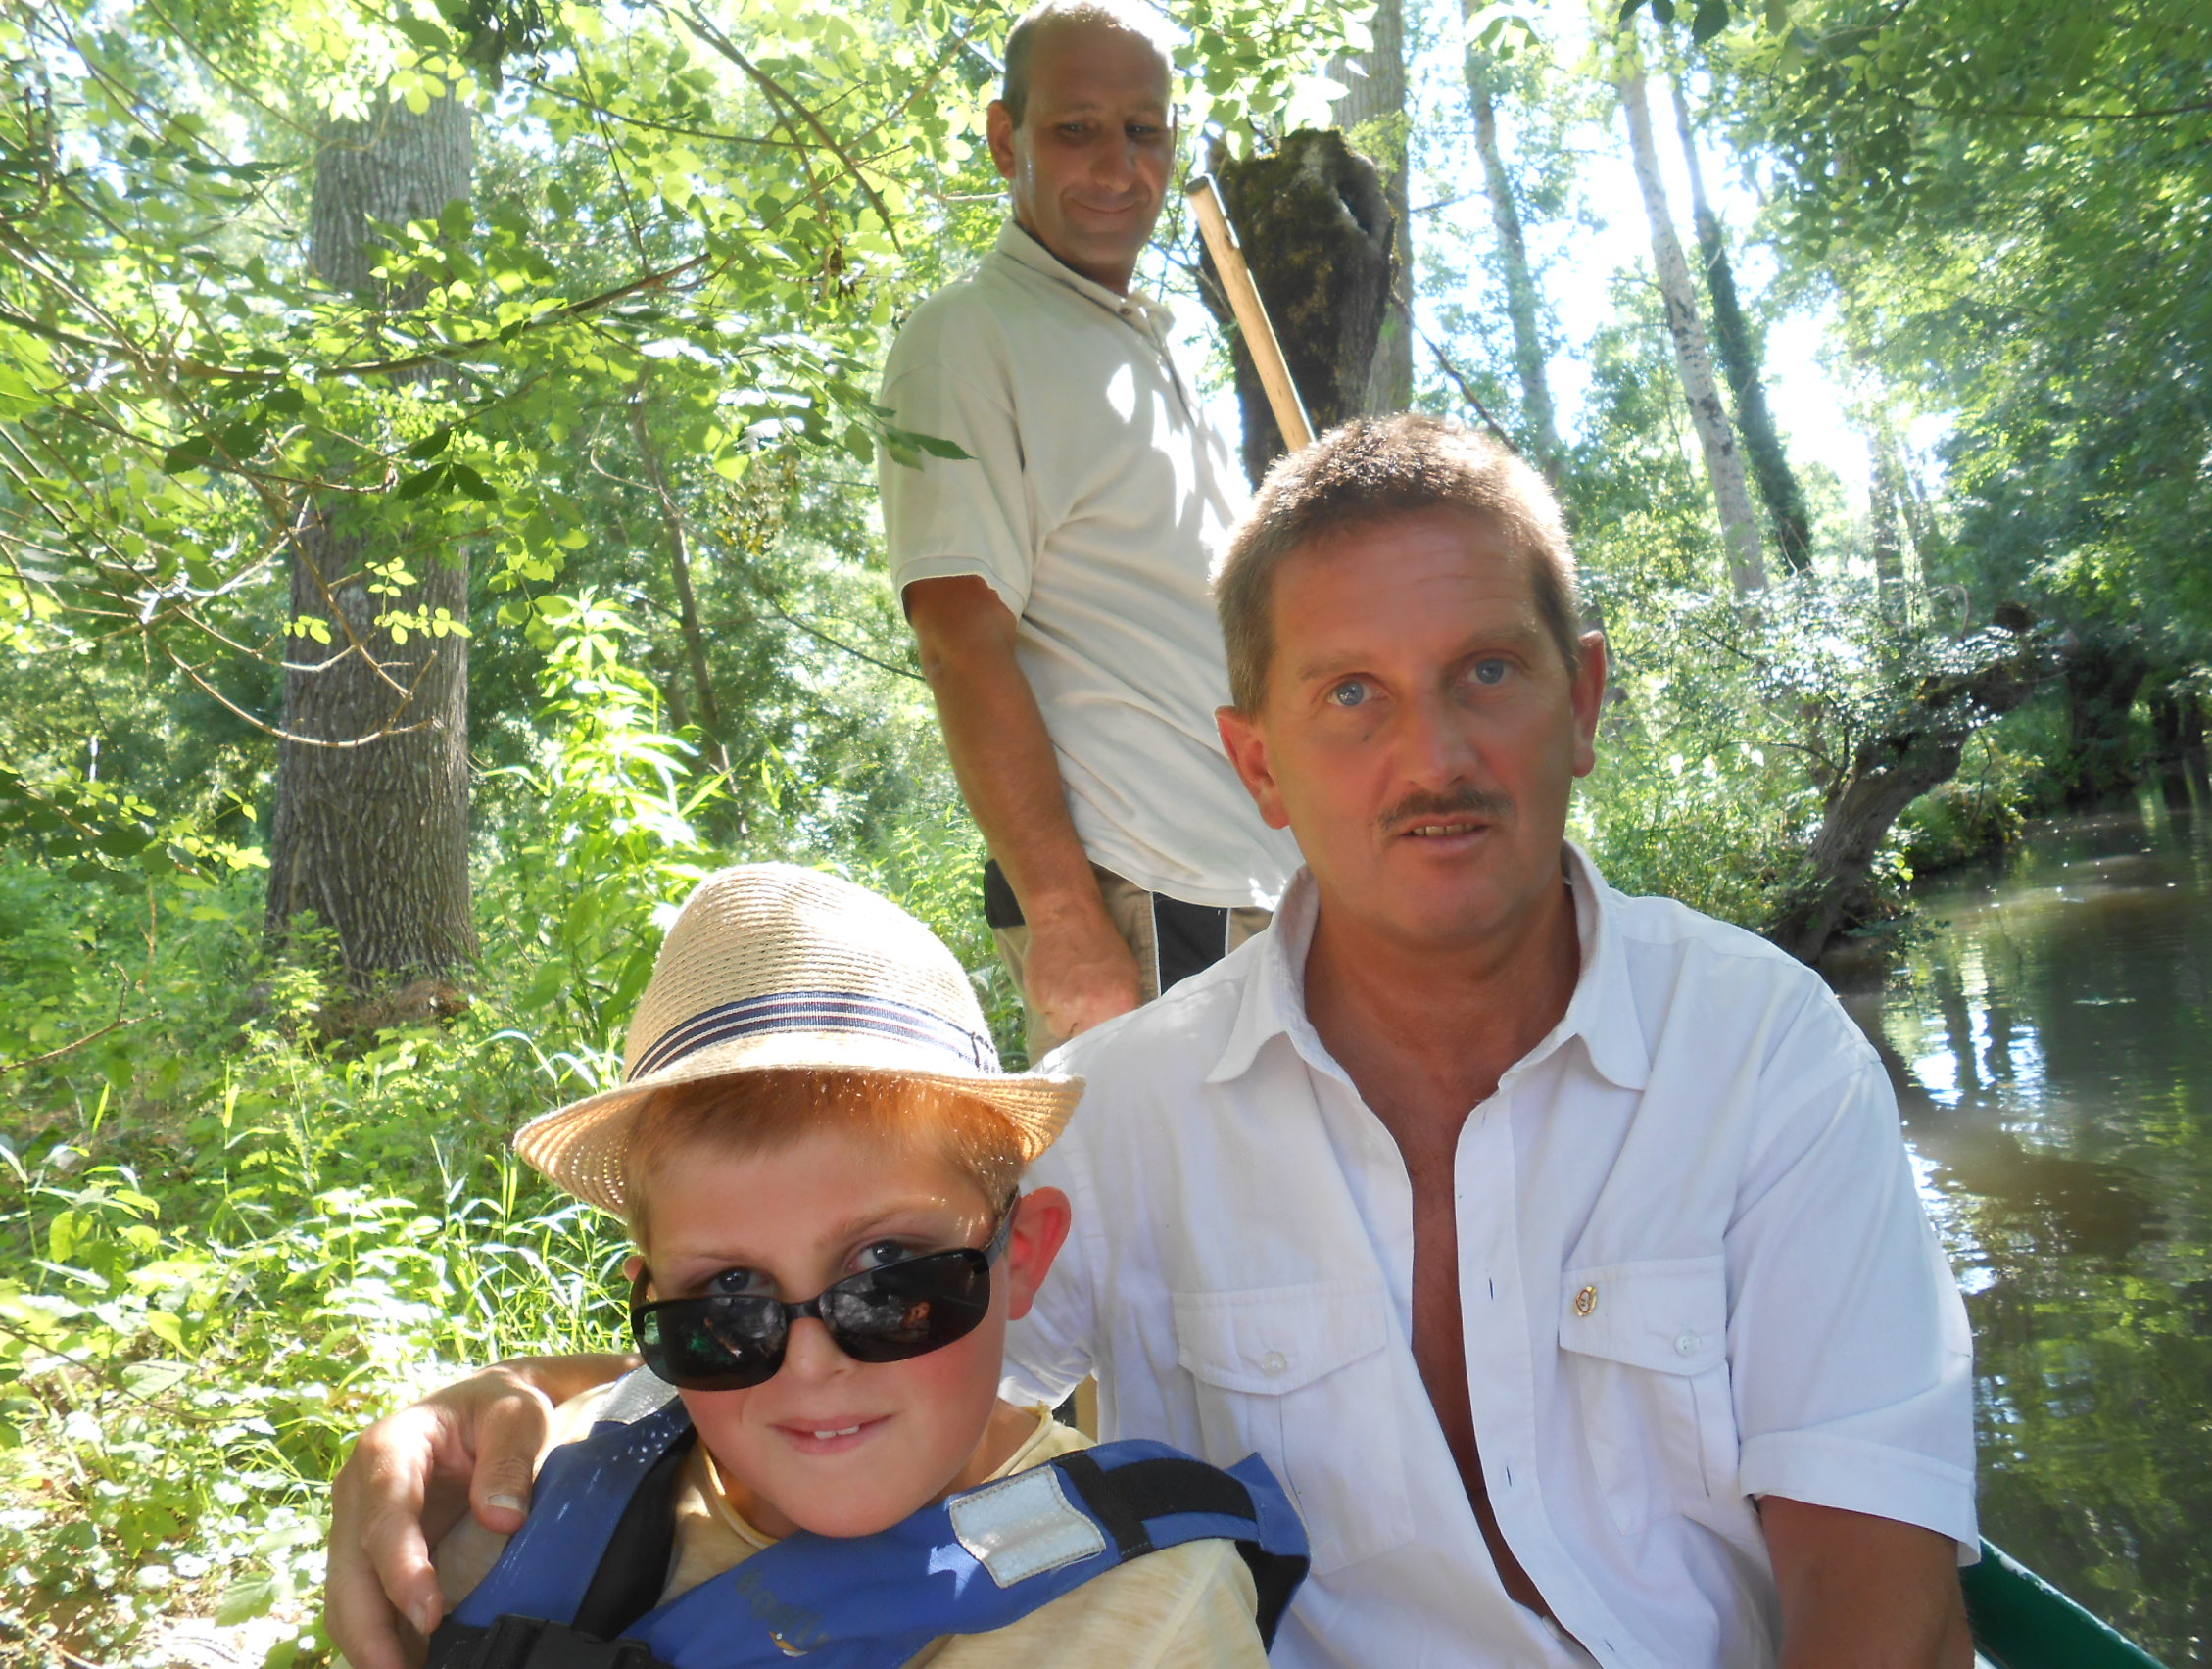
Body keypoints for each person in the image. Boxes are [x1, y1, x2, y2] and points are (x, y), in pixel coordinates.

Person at [326, 417, 1979, 1669]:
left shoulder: (1765, 1056)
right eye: (1351, 695)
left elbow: (1883, 1615)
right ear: (1255, 764)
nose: (1436, 751)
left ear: (1586, 697)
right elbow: (840, 1338)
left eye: (1487, 667)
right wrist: (471, 1412)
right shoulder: (1122, 1113)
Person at [404, 863, 1306, 1669]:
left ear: (1019, 1256)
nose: (810, 1363)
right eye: (728, 1296)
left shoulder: (1153, 1618)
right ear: (651, 1305)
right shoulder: (509, 1510)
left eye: (889, 1271)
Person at [883, 0, 1299, 1059]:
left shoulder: (1137, 343)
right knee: (1178, 1226)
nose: (1116, 165)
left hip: (1256, 892)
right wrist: (1065, 918)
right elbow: (958, 641)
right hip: (1148, 905)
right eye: (1075, 129)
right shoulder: (966, 339)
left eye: (1143, 130)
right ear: (1003, 137)